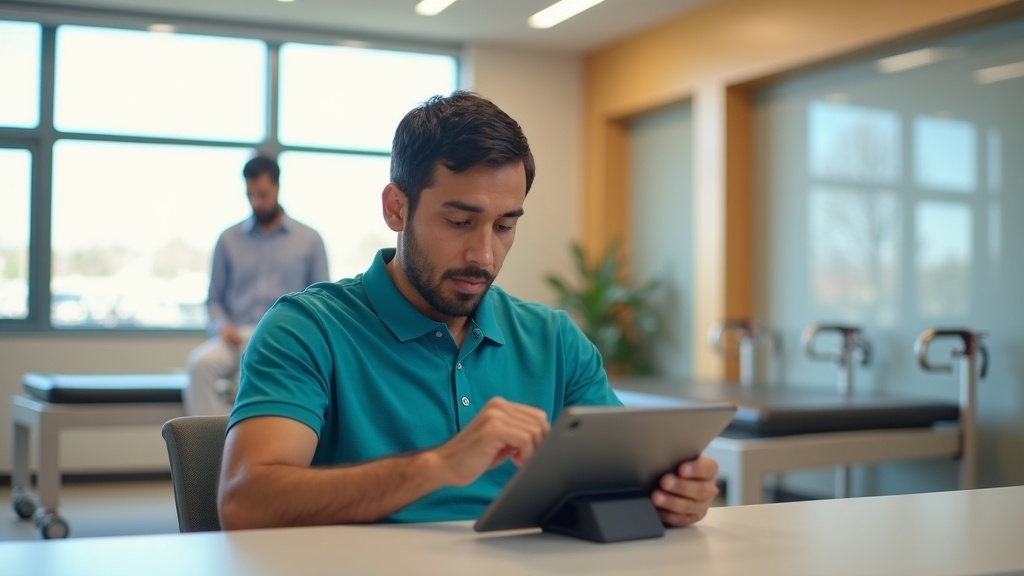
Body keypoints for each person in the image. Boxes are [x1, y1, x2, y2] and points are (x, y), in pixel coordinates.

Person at [218, 91, 720, 529]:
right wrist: (438, 465)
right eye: (460, 222)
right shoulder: (306, 329)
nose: (484, 256)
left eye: (505, 226)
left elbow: (619, 482)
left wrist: (670, 495)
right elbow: (244, 505)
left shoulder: (555, 340)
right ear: (396, 208)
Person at [184, 155, 330, 416]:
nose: (256, 202)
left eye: (262, 195)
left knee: (253, 363)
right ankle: (210, 437)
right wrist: (222, 326)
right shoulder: (228, 239)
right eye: (251, 195)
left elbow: (321, 300)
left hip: (283, 337)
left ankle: (245, 436)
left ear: (277, 187)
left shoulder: (309, 240)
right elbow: (214, 299)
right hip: (235, 336)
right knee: (200, 364)